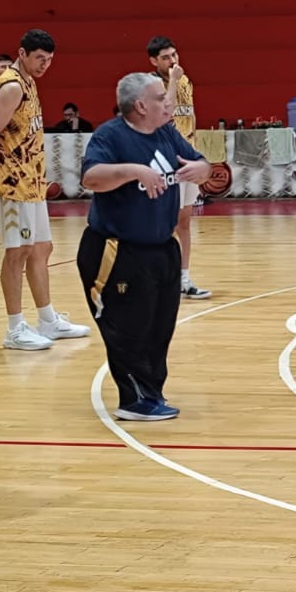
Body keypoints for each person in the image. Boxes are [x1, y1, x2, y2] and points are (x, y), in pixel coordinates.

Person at [77, 72, 211, 421]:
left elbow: (202, 163)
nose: (168, 103)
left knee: (159, 327)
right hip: (117, 250)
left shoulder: (167, 133)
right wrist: (134, 171)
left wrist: (201, 168)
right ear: (139, 106)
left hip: (162, 248)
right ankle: (133, 399)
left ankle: (152, 393)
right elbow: (91, 178)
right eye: (160, 97)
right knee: (128, 327)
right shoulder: (110, 136)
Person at [0, 29, 90, 351]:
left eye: (49, 59)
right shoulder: (12, 87)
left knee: (42, 249)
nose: (45, 65)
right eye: (40, 58)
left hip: (33, 181)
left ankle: (47, 320)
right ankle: (15, 328)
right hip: (13, 184)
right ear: (22, 53)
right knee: (17, 252)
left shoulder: (29, 82)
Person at [147, 37, 211, 300]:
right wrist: (173, 81)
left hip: (187, 160)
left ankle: (184, 278)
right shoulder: (150, 84)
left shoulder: (186, 81)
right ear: (153, 61)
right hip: (164, 162)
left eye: (174, 55)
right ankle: (156, 278)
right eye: (165, 57)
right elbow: (165, 114)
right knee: (162, 223)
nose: (172, 61)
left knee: (184, 221)